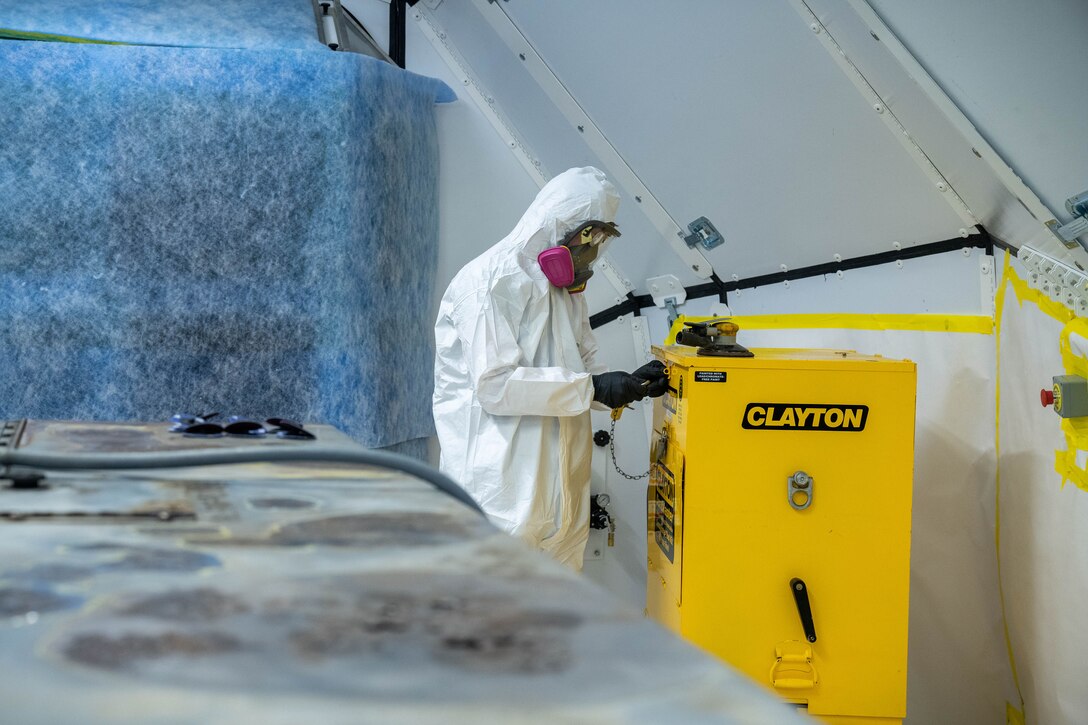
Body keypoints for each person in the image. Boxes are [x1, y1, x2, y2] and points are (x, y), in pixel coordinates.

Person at [432, 166, 668, 569]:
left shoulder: (565, 291)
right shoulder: (489, 282)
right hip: (500, 496)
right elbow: (496, 386)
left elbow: (587, 366)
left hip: (560, 495)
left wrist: (628, 384)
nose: (591, 253)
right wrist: (592, 388)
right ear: (558, 225)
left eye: (601, 241)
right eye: (589, 238)